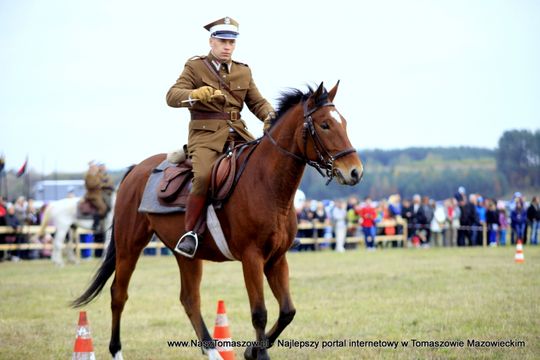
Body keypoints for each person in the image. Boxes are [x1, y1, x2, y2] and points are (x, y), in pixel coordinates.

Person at [166, 17, 276, 258]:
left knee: (265, 169)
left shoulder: (243, 70)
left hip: (238, 133)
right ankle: (191, 233)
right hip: (205, 136)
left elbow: (257, 102)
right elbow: (172, 96)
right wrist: (195, 94)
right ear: (211, 41)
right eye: (223, 41)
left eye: (231, 42)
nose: (227, 46)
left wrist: (270, 115)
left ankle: (276, 230)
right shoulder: (195, 67)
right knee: (204, 176)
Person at [84, 161, 108, 231]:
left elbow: (103, 180)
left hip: (98, 195)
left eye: (95, 167)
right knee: (103, 208)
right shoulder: (88, 175)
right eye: (93, 167)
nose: (95, 168)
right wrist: (99, 183)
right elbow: (90, 185)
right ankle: (95, 224)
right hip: (92, 196)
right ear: (91, 168)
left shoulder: (96, 175)